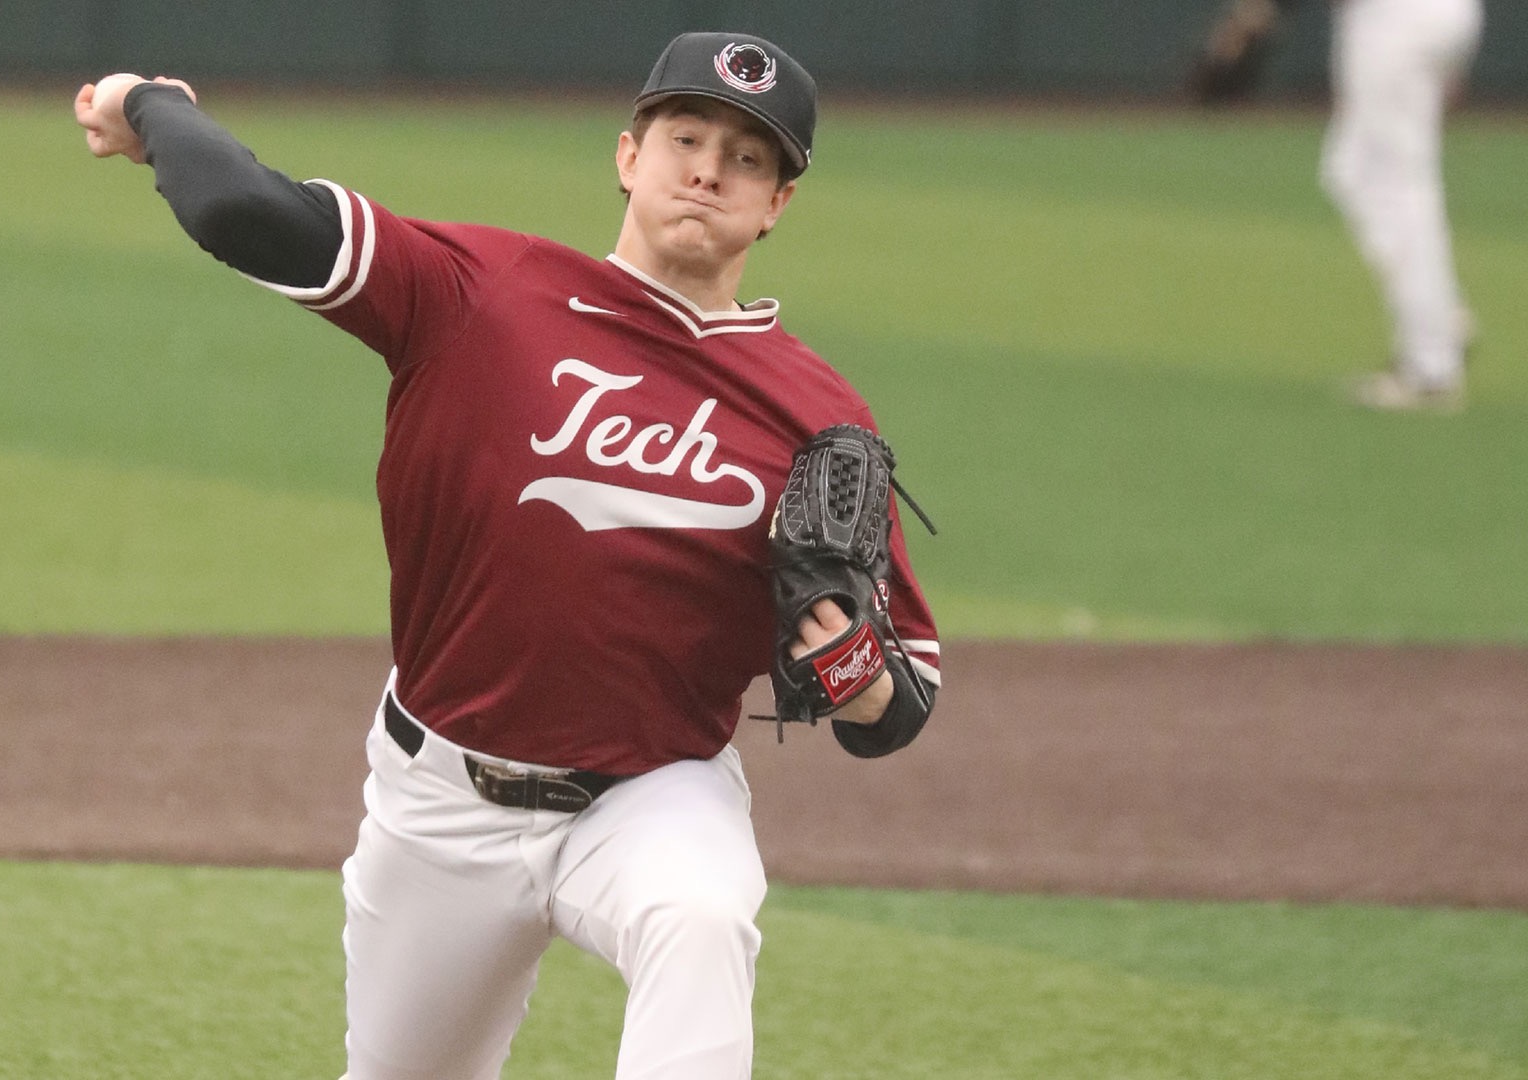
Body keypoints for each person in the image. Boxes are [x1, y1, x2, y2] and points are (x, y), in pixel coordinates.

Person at [75, 31, 940, 1080]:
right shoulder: (482, 292)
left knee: (703, 917)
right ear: (629, 155)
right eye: (687, 135)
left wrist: (847, 662)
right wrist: (151, 103)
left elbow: (895, 706)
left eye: (750, 157)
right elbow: (242, 212)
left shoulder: (818, 418)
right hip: (437, 799)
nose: (710, 168)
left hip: (651, 793)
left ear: (777, 205)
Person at [1324, 0, 1485, 412]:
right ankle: (1439, 315)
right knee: (1353, 170)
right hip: (1441, 14)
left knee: (1394, 185)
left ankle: (1431, 368)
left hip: (1396, 16)